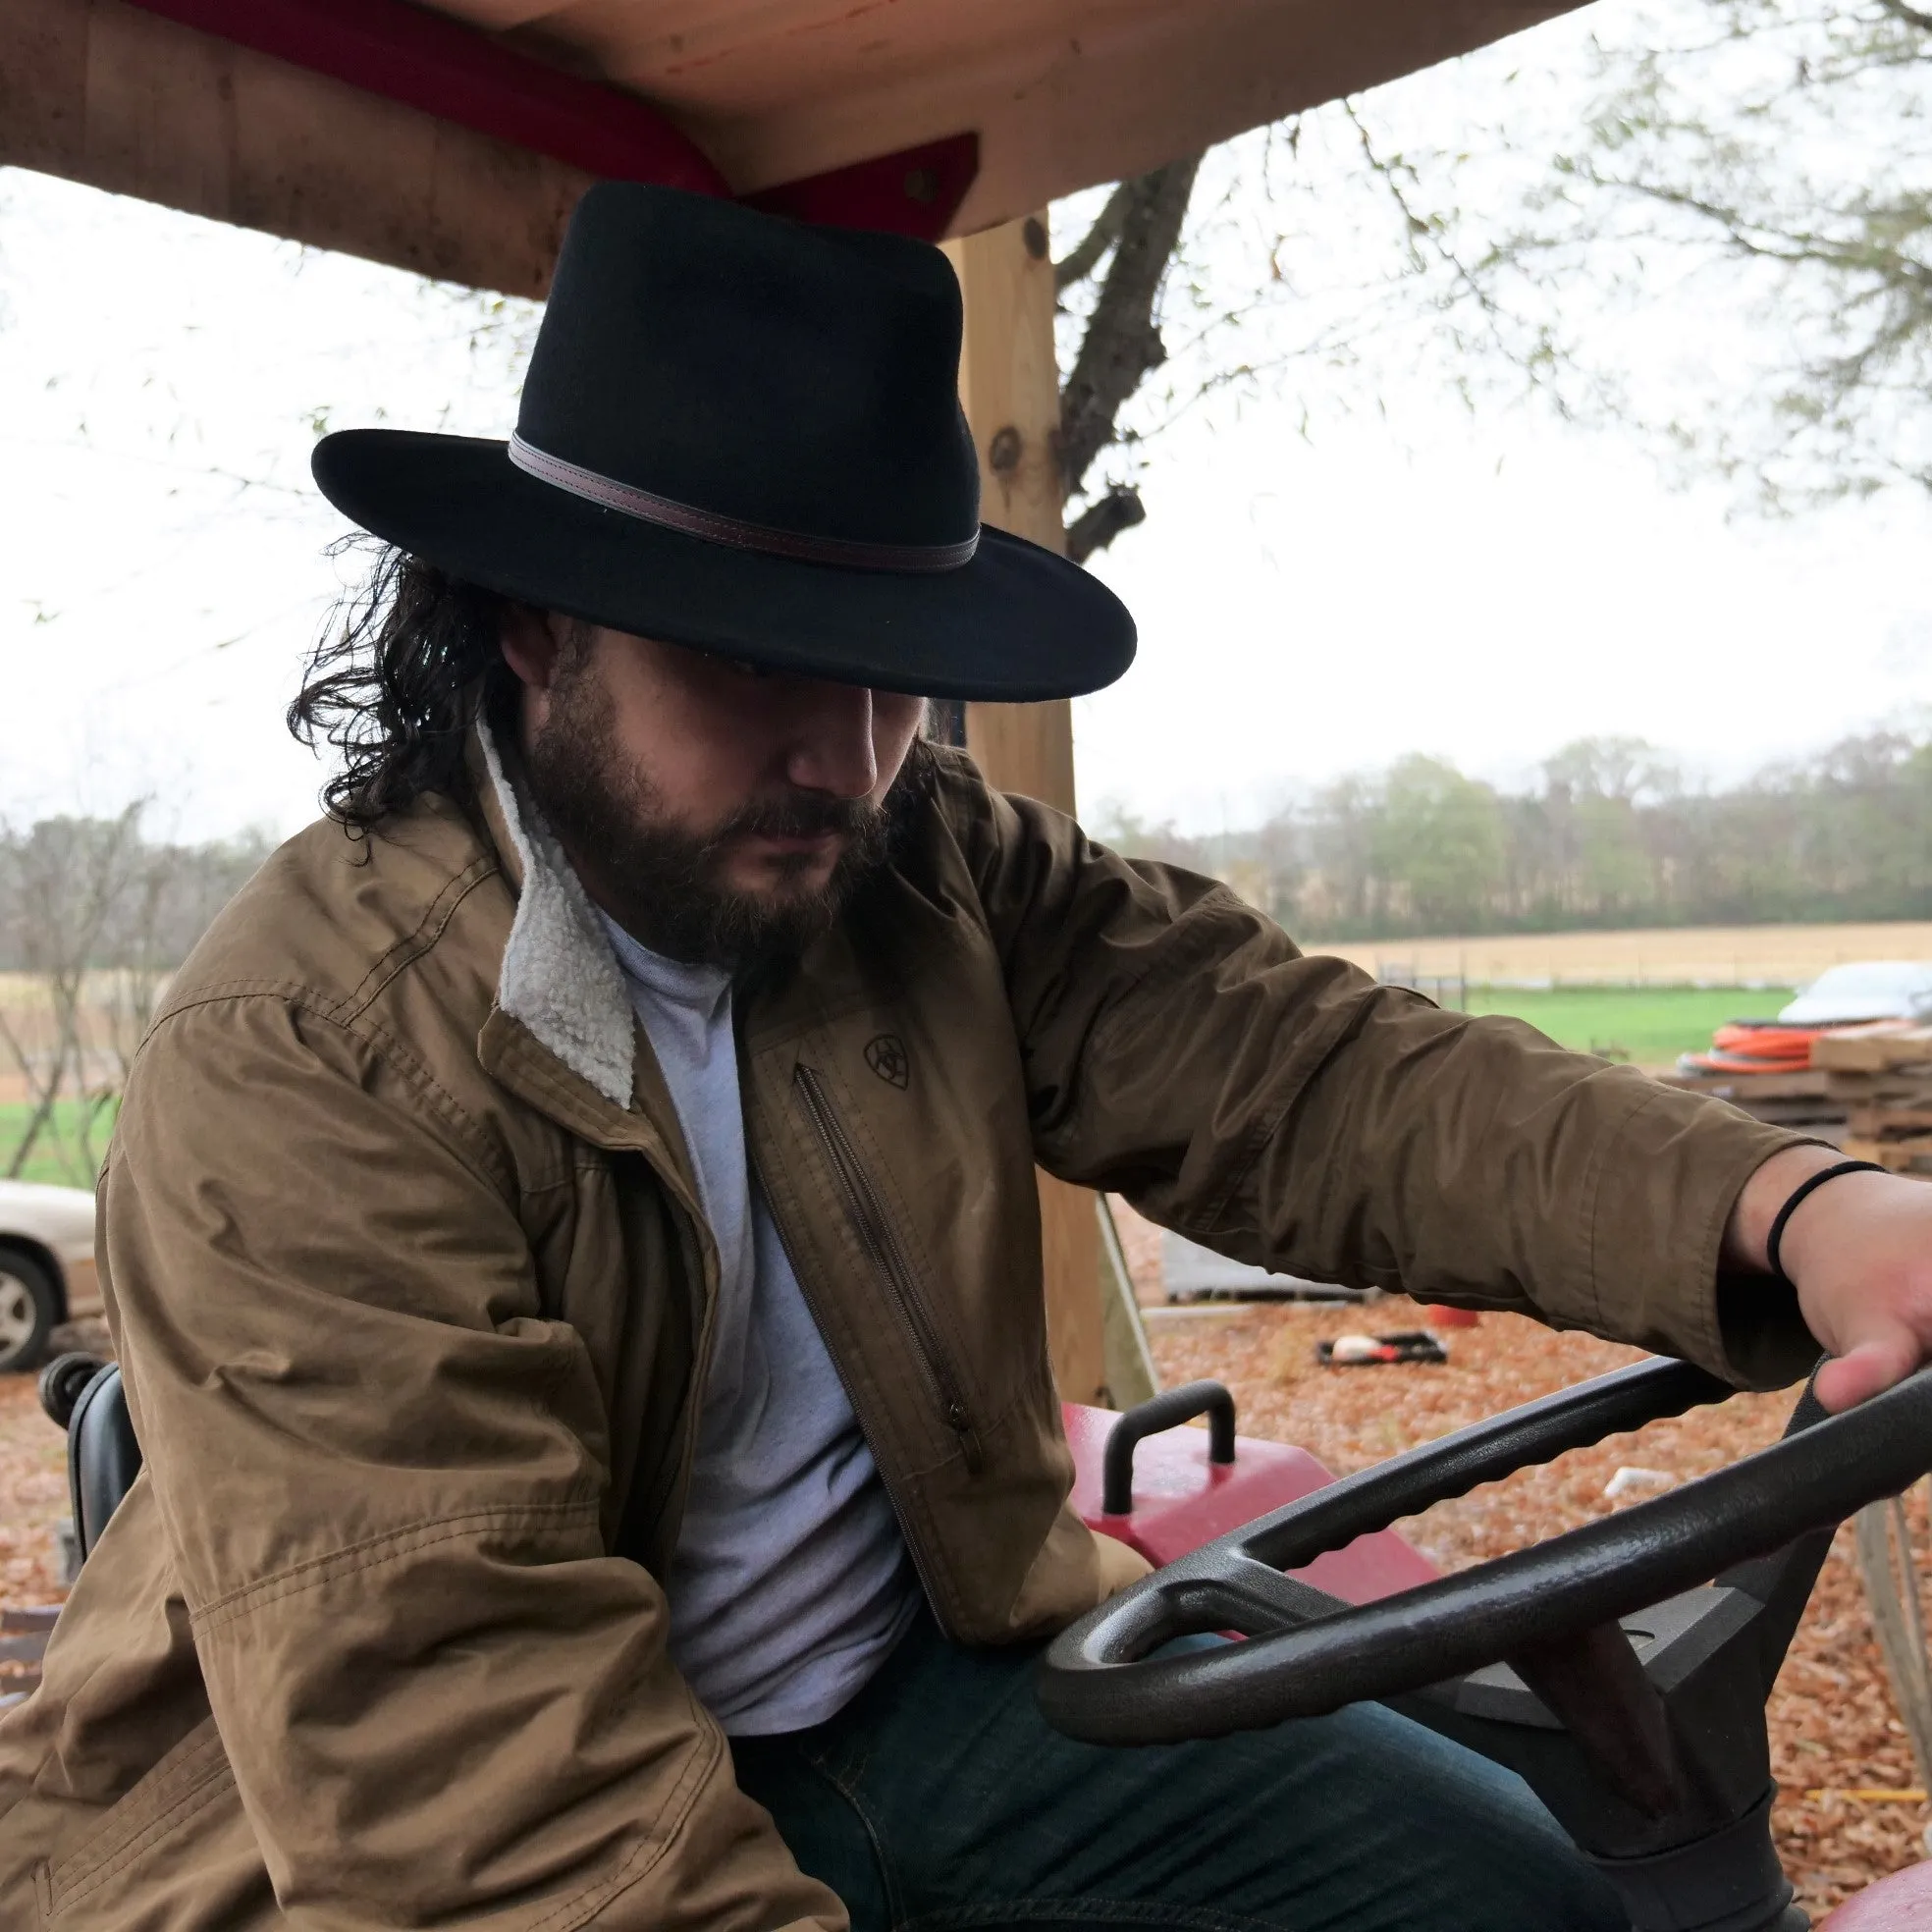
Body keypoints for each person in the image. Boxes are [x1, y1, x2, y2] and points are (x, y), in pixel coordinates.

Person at [3, 183, 1929, 1932]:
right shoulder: (307, 1057)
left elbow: (1316, 1079)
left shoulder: (925, 868)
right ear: (533, 626)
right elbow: (469, 1764)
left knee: (1526, 1906)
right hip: (421, 1816)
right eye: (747, 661)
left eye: (886, 669)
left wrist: (1789, 1199)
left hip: (932, 1691)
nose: (842, 758)